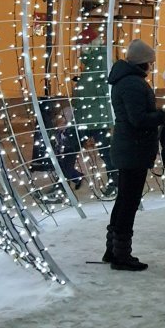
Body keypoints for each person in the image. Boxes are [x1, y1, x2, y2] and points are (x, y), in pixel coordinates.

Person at [103, 39, 165, 271]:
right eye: (150, 62)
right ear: (143, 63)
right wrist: (162, 116)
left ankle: (112, 250)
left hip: (129, 147)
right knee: (129, 202)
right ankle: (121, 255)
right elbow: (138, 119)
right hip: (133, 148)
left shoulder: (126, 80)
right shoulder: (132, 83)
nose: (151, 66)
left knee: (124, 199)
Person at [72, 13, 117, 198]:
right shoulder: (93, 61)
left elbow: (96, 89)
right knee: (104, 152)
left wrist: (80, 90)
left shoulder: (100, 62)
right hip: (90, 115)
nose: (79, 51)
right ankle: (73, 177)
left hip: (96, 116)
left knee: (104, 152)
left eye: (81, 46)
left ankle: (72, 178)